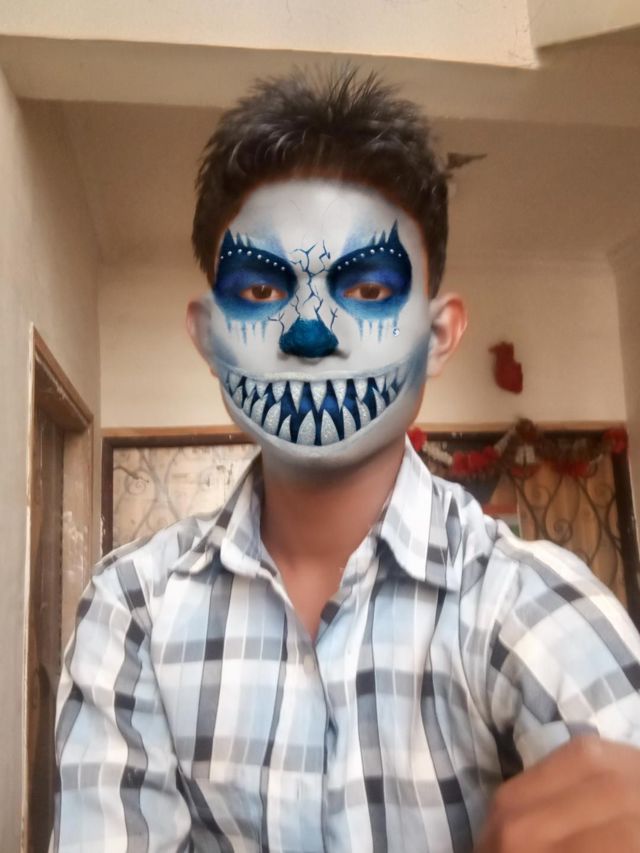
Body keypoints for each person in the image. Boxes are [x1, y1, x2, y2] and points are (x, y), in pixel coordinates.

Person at [55, 67, 640, 852]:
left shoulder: (527, 599)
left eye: (366, 289)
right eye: (260, 293)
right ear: (209, 336)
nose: (309, 335)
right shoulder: (133, 606)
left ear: (438, 336)